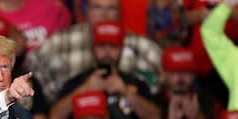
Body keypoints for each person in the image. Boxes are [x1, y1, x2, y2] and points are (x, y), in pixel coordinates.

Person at [50, 20, 161, 119]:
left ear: (121, 49)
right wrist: (85, 89)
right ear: (93, 48)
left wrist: (125, 92)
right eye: (101, 46)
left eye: (113, 47)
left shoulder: (134, 83)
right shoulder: (79, 82)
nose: (107, 52)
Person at [25, 0, 162, 102]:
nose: (104, 15)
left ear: (120, 12)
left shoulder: (143, 47)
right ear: (86, 10)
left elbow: (161, 84)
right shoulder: (60, 42)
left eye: (111, 9)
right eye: (97, 7)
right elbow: (29, 69)